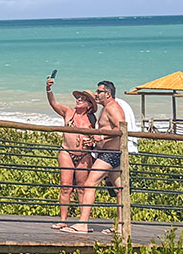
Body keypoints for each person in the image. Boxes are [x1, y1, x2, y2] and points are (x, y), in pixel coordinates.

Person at [68, 80, 137, 232]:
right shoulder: (107, 108)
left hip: (110, 154)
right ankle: (121, 227)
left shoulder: (113, 108)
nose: (96, 94)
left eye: (99, 92)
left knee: (89, 184)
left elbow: (121, 129)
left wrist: (102, 138)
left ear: (108, 94)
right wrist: (95, 139)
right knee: (119, 189)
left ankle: (83, 224)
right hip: (112, 153)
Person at [44, 75, 99, 229]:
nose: (79, 99)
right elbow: (53, 103)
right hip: (67, 153)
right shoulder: (69, 112)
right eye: (79, 97)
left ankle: (83, 222)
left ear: (89, 105)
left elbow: (100, 136)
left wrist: (93, 141)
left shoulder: (93, 120)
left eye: (83, 98)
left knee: (82, 188)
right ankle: (62, 220)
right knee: (66, 187)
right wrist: (49, 89)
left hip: (84, 155)